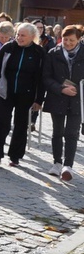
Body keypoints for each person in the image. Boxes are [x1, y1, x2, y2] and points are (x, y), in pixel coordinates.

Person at [0, 22, 46, 167]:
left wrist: (39, 99)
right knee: (1, 121)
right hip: (6, 92)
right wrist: (1, 81)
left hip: (26, 94)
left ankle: (15, 156)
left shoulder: (39, 52)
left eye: (23, 35)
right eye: (18, 34)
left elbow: (42, 77)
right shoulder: (9, 47)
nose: (19, 37)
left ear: (32, 37)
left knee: (20, 124)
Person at [42, 25, 84, 181]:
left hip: (78, 100)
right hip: (58, 97)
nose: (68, 43)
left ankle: (68, 166)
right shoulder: (53, 53)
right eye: (65, 39)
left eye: (72, 40)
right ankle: (57, 163)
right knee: (57, 132)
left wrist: (78, 90)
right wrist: (60, 88)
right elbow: (46, 77)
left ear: (79, 39)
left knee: (72, 134)